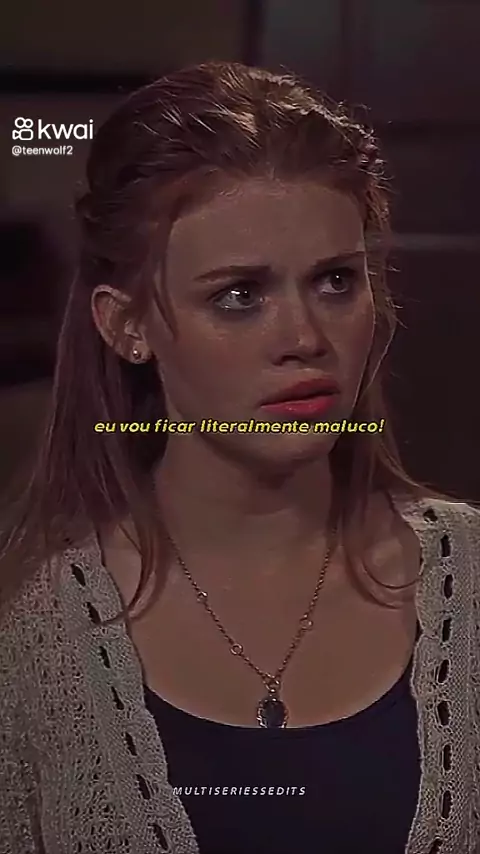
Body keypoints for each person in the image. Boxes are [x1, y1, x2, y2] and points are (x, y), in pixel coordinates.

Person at [0, 60, 478, 854]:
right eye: (239, 295)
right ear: (127, 326)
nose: (305, 338)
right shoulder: (30, 629)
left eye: (335, 282)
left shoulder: (471, 580)